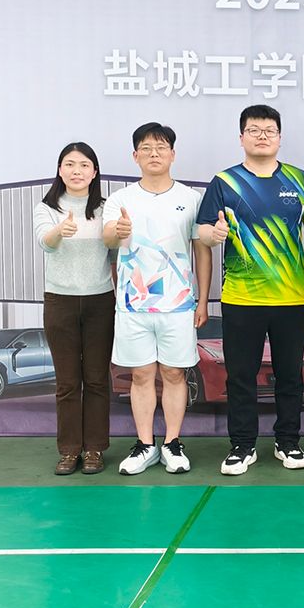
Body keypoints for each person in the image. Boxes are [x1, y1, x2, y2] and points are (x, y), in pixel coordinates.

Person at [197, 105, 304, 476]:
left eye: (269, 130)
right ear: (241, 138)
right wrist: (214, 234)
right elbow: (202, 232)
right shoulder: (225, 182)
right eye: (254, 130)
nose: (262, 136)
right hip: (241, 297)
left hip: (290, 296)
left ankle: (289, 442)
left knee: (290, 375)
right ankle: (242, 446)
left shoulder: (300, 181)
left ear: (280, 137)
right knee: (241, 376)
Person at [102, 123, 210, 475]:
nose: (154, 154)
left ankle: (173, 444)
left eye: (161, 147)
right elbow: (108, 238)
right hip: (133, 305)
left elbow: (202, 250)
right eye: (146, 148)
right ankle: (145, 444)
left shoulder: (191, 199)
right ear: (135, 156)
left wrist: (203, 300)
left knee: (175, 373)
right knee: (141, 374)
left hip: (178, 304)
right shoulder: (120, 199)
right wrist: (117, 232)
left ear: (173, 154)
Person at [33, 142, 115, 476]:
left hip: (100, 301)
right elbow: (45, 242)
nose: (76, 171)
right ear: (59, 170)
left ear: (94, 172)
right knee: (67, 382)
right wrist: (59, 231)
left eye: (83, 165)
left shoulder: (107, 208)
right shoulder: (46, 208)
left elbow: (115, 251)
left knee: (96, 379)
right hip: (60, 301)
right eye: (69, 164)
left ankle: (94, 448)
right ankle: (69, 450)